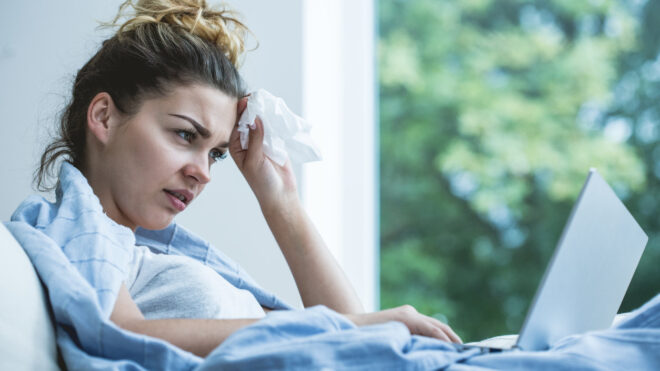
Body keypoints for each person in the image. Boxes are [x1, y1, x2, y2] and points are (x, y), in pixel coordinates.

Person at [29, 0, 461, 359]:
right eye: (184, 134)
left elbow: (357, 346)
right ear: (104, 117)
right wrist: (354, 325)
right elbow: (116, 332)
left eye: (215, 153)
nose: (203, 172)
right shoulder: (69, 228)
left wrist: (282, 203)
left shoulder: (143, 254)